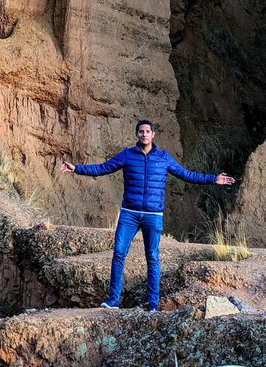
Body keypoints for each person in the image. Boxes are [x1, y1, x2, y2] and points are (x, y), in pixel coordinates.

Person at [60, 119, 234, 311]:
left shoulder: (163, 157)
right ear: (137, 135)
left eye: (147, 131)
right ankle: (113, 301)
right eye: (141, 132)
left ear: (153, 135)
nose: (144, 135)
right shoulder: (127, 155)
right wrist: (77, 168)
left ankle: (153, 305)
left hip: (153, 215)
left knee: (152, 257)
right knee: (119, 253)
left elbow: (187, 175)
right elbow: (103, 168)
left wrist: (212, 179)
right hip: (129, 214)